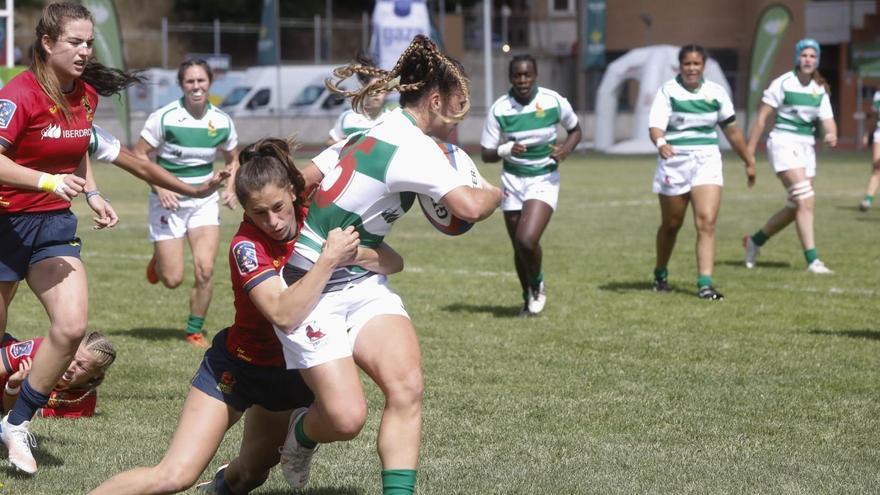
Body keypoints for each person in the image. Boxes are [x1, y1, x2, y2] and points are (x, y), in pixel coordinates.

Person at [89, 138, 404, 495]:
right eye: (258, 213)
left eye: (278, 207)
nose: (272, 221)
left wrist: (352, 253)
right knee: (175, 476)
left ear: (292, 190)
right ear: (244, 210)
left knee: (249, 477)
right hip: (239, 367)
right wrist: (329, 259)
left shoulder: (318, 218)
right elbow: (283, 313)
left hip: (293, 374)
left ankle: (221, 484)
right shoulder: (246, 246)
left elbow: (394, 261)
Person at [276, 35, 501, 495]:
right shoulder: (415, 149)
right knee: (345, 418)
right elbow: (472, 208)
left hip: (359, 280)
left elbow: (303, 180)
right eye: (459, 105)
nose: (462, 117)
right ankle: (300, 435)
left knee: (407, 388)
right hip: (311, 283)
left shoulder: (374, 130)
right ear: (436, 100)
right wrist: (497, 191)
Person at [0, 1, 141, 474]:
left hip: (53, 226)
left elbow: (77, 147)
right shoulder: (18, 94)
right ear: (47, 43)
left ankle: (16, 425)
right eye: (75, 42)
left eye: (88, 43)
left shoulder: (85, 95)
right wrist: (45, 181)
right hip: (4, 225)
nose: (85, 51)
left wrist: (94, 193)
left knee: (71, 325)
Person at [135, 59, 240, 348]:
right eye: (190, 82)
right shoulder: (164, 117)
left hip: (204, 200)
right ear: (182, 85)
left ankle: (194, 330)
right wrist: (160, 187)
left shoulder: (221, 120)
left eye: (201, 81)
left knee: (205, 269)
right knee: (172, 279)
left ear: (209, 83)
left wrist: (230, 187)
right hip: (167, 201)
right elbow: (139, 155)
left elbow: (233, 158)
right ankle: (159, 261)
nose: (196, 86)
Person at [647, 44, 755, 300]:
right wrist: (661, 144)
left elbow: (732, 132)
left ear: (703, 66)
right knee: (672, 224)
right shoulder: (668, 91)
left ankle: (705, 284)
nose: (692, 68)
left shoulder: (716, 93)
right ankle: (661, 272)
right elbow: (655, 127)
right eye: (687, 64)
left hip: (707, 160)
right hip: (675, 161)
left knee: (706, 222)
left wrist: (748, 160)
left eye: (697, 64)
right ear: (680, 66)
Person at [480, 54, 581, 315]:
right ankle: (527, 296)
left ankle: (537, 284)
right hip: (512, 180)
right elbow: (486, 153)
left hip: (543, 178)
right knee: (518, 246)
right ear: (510, 77)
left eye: (527, 75)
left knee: (527, 240)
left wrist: (565, 150)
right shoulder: (500, 109)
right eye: (517, 75)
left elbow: (576, 130)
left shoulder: (552, 101)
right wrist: (506, 148)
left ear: (535, 76)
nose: (522, 80)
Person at [744, 38, 837, 273]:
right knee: (805, 199)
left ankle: (754, 241)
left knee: (795, 207)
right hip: (783, 143)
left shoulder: (820, 89)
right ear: (798, 58)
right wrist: (750, 154)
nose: (808, 60)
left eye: (812, 56)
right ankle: (813, 260)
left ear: (817, 60)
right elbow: (762, 119)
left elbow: (829, 121)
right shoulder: (782, 83)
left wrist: (832, 135)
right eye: (804, 55)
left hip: (807, 148)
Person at [90, 123, 229, 198]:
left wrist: (196, 191)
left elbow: (141, 167)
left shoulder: (88, 133)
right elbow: (140, 153)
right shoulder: (164, 117)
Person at [1, 331, 116, 419]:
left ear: (96, 375)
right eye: (72, 357)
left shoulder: (82, 403)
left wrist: (13, 385)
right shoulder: (42, 351)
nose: (70, 367)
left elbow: (14, 411)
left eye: (81, 367)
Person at [326, 53, 390, 145]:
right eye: (373, 88)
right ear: (364, 89)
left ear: (387, 92)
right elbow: (330, 142)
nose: (377, 94)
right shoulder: (348, 117)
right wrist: (345, 145)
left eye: (381, 89)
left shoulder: (392, 119)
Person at [858, 88, 880, 211]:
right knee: (877, 167)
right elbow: (874, 117)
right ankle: (868, 199)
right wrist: (867, 134)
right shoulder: (878, 94)